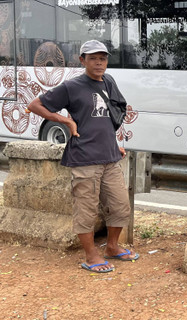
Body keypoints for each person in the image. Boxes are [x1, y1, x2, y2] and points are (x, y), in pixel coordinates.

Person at [27, 40, 138, 273]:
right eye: (93, 58)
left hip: (109, 157)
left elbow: (111, 116)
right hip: (85, 158)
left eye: (103, 58)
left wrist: (114, 142)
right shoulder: (72, 87)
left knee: (120, 207)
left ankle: (112, 247)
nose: (99, 63)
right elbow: (35, 105)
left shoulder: (108, 81)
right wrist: (65, 120)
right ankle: (91, 255)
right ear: (82, 60)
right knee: (86, 211)